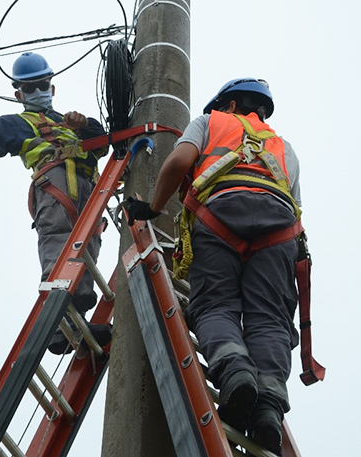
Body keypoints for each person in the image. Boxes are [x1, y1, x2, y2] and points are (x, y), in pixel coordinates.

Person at [125, 78, 303, 455]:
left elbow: (178, 162)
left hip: (221, 216)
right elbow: (293, 205)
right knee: (269, 319)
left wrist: (153, 207)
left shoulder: (209, 122)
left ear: (231, 104)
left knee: (215, 305)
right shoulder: (284, 147)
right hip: (281, 234)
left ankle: (235, 373)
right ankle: (268, 408)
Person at [0, 52, 112, 355]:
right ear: (18, 94)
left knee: (87, 251)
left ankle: (74, 321)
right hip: (54, 187)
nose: (38, 92)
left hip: (88, 190)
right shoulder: (17, 123)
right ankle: (57, 326)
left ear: (52, 87)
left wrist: (83, 124)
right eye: (30, 88)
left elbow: (103, 143)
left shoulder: (69, 122)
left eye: (42, 85)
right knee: (58, 244)